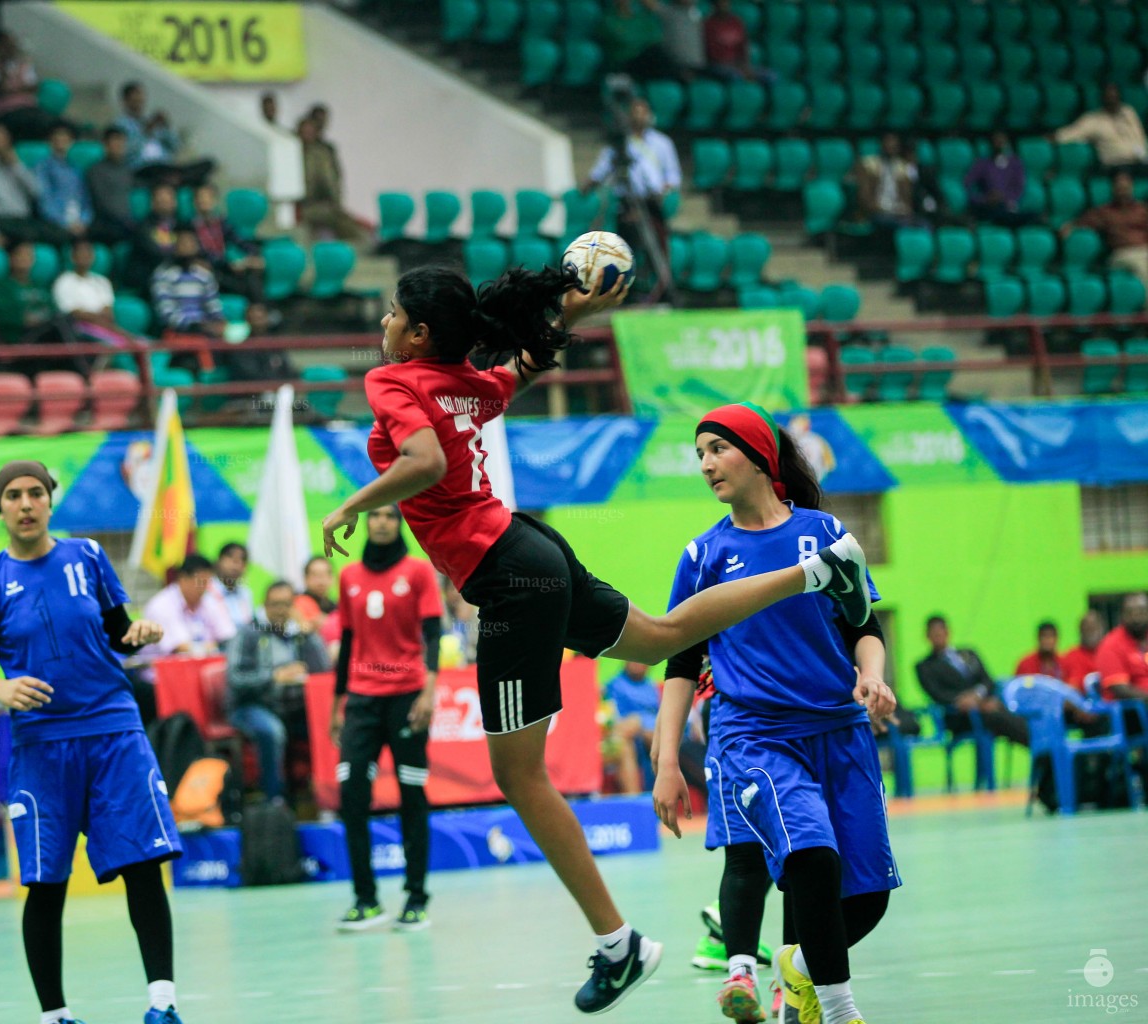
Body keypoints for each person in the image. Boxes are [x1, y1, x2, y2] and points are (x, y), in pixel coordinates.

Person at [318, 265, 873, 1014]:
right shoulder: (462, 383)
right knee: (662, 636)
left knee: (519, 776)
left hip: (507, 577)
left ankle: (620, 945)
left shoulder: (395, 380)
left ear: (417, 333)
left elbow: (425, 461)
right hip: (531, 550)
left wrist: (350, 505)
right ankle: (814, 572)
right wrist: (572, 309)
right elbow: (523, 366)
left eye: (391, 314)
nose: (381, 325)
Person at [651, 402, 898, 1024]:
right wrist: (664, 762)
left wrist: (872, 677)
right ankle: (838, 1009)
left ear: (759, 455)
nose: (706, 464)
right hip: (755, 737)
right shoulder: (703, 557)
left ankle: (795, 972)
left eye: (717, 449)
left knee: (866, 899)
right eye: (699, 453)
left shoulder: (828, 536)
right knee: (810, 857)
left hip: (840, 731)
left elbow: (864, 626)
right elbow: (680, 665)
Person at [0, 461, 185, 1024]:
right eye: (14, 495)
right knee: (45, 881)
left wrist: (140, 635)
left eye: (36, 493)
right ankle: (54, 1016)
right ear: (1, 508)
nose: (26, 503)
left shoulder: (86, 556)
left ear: (50, 503)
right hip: (41, 746)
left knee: (143, 864)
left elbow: (117, 634)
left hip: (113, 733)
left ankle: (163, 1004)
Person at [329, 504, 442, 931]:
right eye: (374, 515)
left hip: (408, 698)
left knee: (412, 797)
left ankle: (415, 898)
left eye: (390, 517)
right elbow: (346, 638)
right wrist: (336, 706)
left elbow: (433, 633)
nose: (381, 522)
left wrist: (430, 689)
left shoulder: (417, 571)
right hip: (361, 700)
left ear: (399, 524)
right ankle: (365, 899)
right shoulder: (349, 576)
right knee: (352, 795)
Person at [225, 582, 329, 803]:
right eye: (275, 605)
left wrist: (309, 633)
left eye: (286, 605)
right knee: (272, 731)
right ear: (265, 605)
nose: (280, 610)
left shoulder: (296, 635)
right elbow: (236, 679)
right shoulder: (249, 634)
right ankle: (274, 800)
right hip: (250, 706)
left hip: (290, 706)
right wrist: (274, 676)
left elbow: (323, 669)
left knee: (326, 724)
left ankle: (324, 797)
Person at [585, 97, 680, 259]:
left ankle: (659, 279)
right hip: (626, 200)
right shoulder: (620, 143)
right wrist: (589, 184)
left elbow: (673, 174)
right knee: (626, 244)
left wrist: (665, 190)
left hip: (653, 201)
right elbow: (602, 167)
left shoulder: (662, 143)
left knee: (658, 244)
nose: (639, 117)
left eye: (643, 113)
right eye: (635, 113)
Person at [914, 616, 1030, 747]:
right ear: (927, 637)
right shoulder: (925, 666)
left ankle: (1042, 748)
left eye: (941, 632)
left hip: (985, 705)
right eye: (934, 634)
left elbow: (987, 681)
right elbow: (937, 693)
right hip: (959, 716)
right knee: (997, 718)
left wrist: (978, 696)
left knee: (1012, 712)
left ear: (948, 632)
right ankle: (1039, 747)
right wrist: (967, 701)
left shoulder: (968, 653)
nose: (938, 637)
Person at [0, 123, 58, 247]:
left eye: (2, 138)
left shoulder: (17, 164)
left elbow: (37, 191)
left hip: (24, 219)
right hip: (3, 220)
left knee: (55, 234)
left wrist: (16, 166)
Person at [138, 554, 238, 662]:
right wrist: (212, 647)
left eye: (207, 582)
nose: (204, 588)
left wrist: (215, 647)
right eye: (201, 582)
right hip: (160, 674)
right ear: (183, 578)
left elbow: (229, 637)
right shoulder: (162, 605)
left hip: (197, 669)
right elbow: (182, 648)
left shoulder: (208, 601)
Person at [1062, 171, 1148, 290]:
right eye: (1120, 187)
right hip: (1122, 254)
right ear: (1113, 189)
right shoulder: (1104, 212)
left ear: (1131, 188)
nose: (1123, 191)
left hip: (1144, 251)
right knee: (1144, 268)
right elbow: (1081, 222)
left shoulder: (1142, 209)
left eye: (1126, 187)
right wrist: (1070, 226)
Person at [298, 115, 366, 242]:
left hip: (320, 205)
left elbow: (329, 182)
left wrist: (335, 203)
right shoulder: (292, 154)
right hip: (304, 208)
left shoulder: (320, 154)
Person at [1056, 82, 1148, 173]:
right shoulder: (1092, 120)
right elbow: (1070, 134)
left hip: (1139, 162)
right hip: (1116, 166)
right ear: (1102, 98)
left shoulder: (1128, 112)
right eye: (1109, 98)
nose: (1112, 100)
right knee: (1123, 177)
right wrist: (1054, 137)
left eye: (1115, 97)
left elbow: (1140, 136)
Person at [151, 228, 227, 339]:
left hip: (206, 331)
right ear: (174, 246)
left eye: (191, 243)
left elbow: (214, 306)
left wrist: (219, 322)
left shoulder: (204, 275)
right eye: (183, 243)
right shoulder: (163, 275)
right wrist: (196, 326)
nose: (187, 246)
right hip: (179, 333)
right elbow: (167, 313)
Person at [0, 31, 51, 141]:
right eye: (5, 46)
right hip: (5, 111)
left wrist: (13, 89)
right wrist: (3, 71)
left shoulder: (24, 65)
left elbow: (33, 87)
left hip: (28, 107)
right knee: (22, 120)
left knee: (46, 120)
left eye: (11, 46)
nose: (9, 49)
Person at [0, 241, 64, 344]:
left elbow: (53, 309)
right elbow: (3, 316)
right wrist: (27, 319)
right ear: (10, 258)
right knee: (62, 326)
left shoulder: (40, 285)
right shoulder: (2, 287)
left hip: (47, 331)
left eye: (29, 254)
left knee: (64, 322)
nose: (25, 258)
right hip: (21, 337)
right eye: (20, 254)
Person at [604, 661, 659, 795]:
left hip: (653, 734)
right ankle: (634, 800)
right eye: (633, 659)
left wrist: (642, 724)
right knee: (624, 744)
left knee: (640, 727)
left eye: (642, 660)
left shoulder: (652, 687)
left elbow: (663, 716)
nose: (637, 663)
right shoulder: (613, 686)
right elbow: (610, 718)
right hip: (627, 738)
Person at [37, 124, 96, 241]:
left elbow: (85, 200)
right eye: (57, 139)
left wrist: (83, 221)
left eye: (65, 139)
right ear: (50, 141)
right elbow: (45, 200)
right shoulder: (43, 167)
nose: (61, 142)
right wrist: (65, 223)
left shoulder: (76, 169)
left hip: (79, 221)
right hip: (55, 222)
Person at [965, 132, 1037, 228]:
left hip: (1007, 205)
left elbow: (1018, 187)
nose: (999, 145)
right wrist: (984, 199)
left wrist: (1005, 198)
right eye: (996, 142)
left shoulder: (1015, 164)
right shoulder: (982, 164)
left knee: (1031, 215)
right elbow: (967, 184)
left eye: (1002, 142)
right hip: (988, 206)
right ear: (991, 144)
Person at [854, 133, 921, 230]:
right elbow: (865, 198)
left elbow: (907, 198)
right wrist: (887, 210)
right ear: (881, 145)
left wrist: (905, 209)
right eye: (888, 144)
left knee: (923, 224)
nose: (890, 147)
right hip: (877, 211)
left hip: (897, 211)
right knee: (893, 223)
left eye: (894, 145)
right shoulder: (868, 165)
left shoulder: (902, 167)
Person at [1095, 592, 1148, 700]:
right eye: (1130, 613)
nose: (1136, 618)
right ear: (1122, 615)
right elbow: (1120, 690)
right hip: (1130, 710)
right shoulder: (1111, 645)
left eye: (1141, 612)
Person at [86, 128, 136, 241]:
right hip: (105, 223)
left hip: (126, 223)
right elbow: (102, 202)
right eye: (115, 141)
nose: (119, 145)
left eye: (122, 142)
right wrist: (125, 220)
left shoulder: (126, 170)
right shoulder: (96, 171)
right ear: (105, 145)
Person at [703, 0, 770, 82]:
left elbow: (743, 46)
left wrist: (744, 65)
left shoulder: (736, 22)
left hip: (738, 64)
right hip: (719, 65)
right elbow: (711, 52)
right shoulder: (709, 24)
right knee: (736, 76)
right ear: (715, 6)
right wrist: (733, 65)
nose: (724, 6)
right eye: (721, 3)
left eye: (726, 3)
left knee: (770, 76)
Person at [210, 542, 252, 628]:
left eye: (242, 560)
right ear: (218, 561)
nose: (237, 563)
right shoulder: (206, 590)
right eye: (230, 557)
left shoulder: (245, 593)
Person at [293, 555, 337, 636]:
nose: (321, 580)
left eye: (324, 575)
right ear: (305, 578)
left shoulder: (337, 607)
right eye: (315, 575)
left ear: (332, 578)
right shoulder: (296, 604)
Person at [1061, 610, 1106, 690]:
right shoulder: (1071, 656)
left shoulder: (1110, 654)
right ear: (1080, 630)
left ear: (1101, 629)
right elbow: (1071, 690)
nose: (1090, 632)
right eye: (1087, 629)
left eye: (1094, 628)